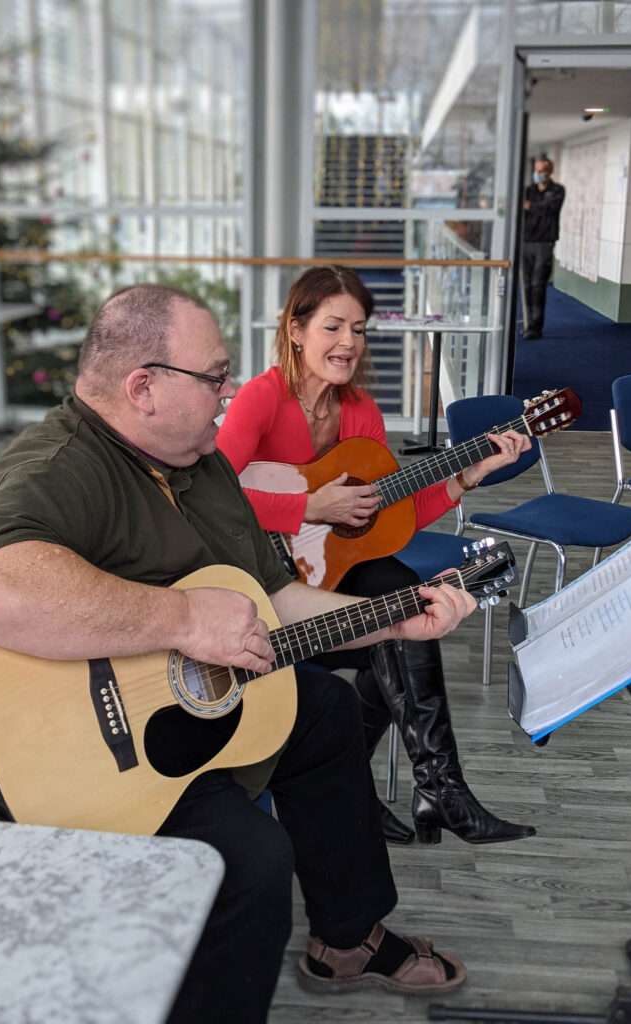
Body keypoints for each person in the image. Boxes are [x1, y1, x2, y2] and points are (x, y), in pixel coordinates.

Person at [0, 283, 479, 1024]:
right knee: (252, 860)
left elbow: (280, 603)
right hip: (75, 753)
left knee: (323, 709)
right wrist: (180, 617)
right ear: (144, 387)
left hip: (181, 709)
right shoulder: (60, 464)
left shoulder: (201, 464)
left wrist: (393, 621)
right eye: (214, 377)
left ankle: (347, 938)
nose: (230, 395)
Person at [217, 265, 536, 847]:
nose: (347, 343)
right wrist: (309, 507)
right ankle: (397, 790)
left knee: (402, 608)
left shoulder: (360, 411)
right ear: (295, 328)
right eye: (333, 326)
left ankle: (425, 785)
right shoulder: (262, 399)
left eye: (358, 329)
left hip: (337, 570)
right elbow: (214, 491)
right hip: (258, 573)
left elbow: (390, 521)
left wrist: (466, 476)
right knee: (399, 621)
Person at [521, 157, 566, 340]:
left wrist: (531, 206)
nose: (537, 174)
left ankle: (535, 326)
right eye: (536, 170)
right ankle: (526, 321)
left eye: (541, 171)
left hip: (544, 244)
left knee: (538, 285)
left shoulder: (557, 191)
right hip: (526, 242)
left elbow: (549, 208)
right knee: (526, 286)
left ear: (549, 172)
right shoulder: (528, 191)